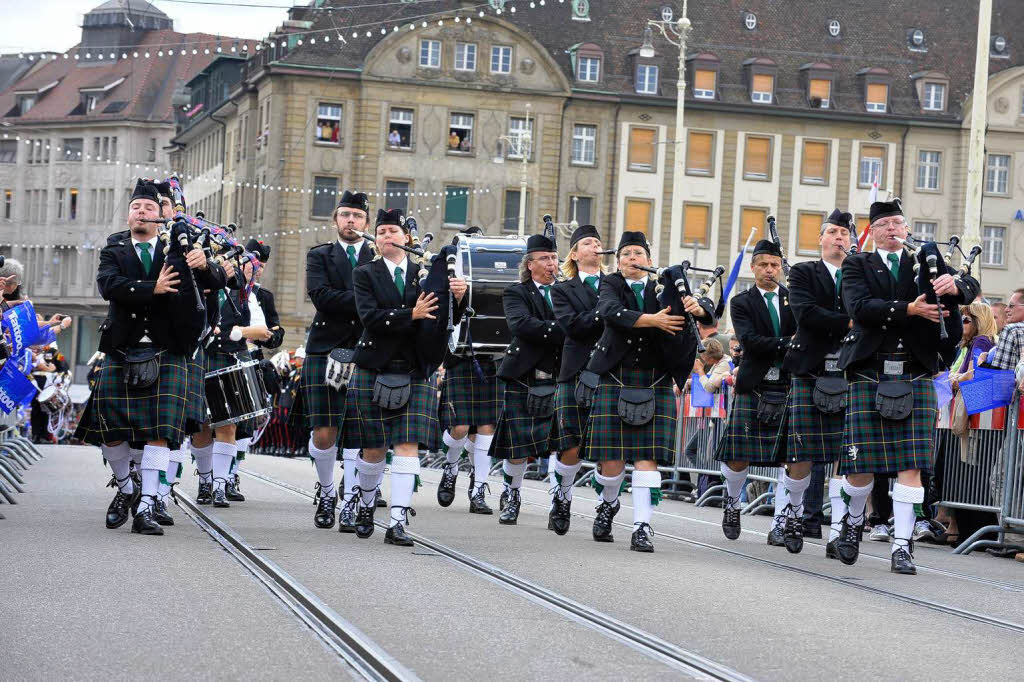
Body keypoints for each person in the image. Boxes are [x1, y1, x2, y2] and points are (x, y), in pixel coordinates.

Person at [836, 198, 979, 575]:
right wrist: (909, 310)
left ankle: (903, 544)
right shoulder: (857, 264)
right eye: (886, 224)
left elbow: (970, 286)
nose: (895, 229)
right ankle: (851, 522)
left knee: (911, 464)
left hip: (915, 371)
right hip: (870, 370)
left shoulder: (924, 263)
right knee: (860, 469)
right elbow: (860, 308)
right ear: (874, 231)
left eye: (899, 223)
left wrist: (956, 283)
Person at [74, 179, 207, 535]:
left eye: (149, 208)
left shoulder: (175, 249)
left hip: (166, 349)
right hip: (122, 346)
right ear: (129, 213)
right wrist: (153, 289)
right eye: (136, 208)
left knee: (159, 434)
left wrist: (204, 263)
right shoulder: (113, 249)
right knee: (110, 432)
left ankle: (147, 505)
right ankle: (127, 487)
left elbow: (204, 289)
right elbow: (109, 286)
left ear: (160, 215)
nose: (142, 213)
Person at [581, 231, 709, 551]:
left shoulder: (664, 286)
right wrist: (651, 320)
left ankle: (642, 526)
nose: (631, 259)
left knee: (646, 459)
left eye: (638, 253)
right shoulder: (610, 284)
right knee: (610, 462)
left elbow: (692, 315)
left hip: (655, 381)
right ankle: (608, 505)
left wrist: (698, 307)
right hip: (616, 377)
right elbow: (609, 312)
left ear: (649, 260)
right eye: (625, 255)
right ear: (618, 261)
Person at [347, 208, 467, 545]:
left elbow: (444, 318)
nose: (386, 237)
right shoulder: (364, 273)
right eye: (382, 232)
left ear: (406, 239)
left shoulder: (424, 274)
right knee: (373, 448)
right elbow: (370, 318)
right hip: (375, 365)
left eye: (393, 232)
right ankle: (367, 504)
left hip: (415, 368)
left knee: (407, 445)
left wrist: (459, 297)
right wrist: (409, 314)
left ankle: (398, 520)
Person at [779, 209, 853, 555]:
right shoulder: (803, 273)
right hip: (811, 370)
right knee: (802, 455)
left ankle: (839, 531)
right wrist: (853, 324)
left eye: (844, 233)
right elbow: (805, 314)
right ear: (820, 239)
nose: (839, 238)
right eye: (833, 232)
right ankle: (794, 516)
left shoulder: (860, 273)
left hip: (853, 372)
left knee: (847, 458)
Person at [303, 191, 376, 531]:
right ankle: (328, 491)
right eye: (345, 215)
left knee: (361, 432)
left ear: (366, 222)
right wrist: (368, 300)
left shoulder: (379, 258)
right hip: (325, 348)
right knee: (324, 433)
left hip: (368, 348)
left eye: (357, 216)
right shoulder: (319, 255)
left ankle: (350, 502)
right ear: (335, 221)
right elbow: (321, 296)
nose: (351, 221)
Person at [715, 239, 796, 543]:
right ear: (753, 267)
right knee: (739, 456)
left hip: (788, 383)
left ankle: (781, 521)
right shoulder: (742, 302)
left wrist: (788, 344)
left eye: (775, 265)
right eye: (763, 264)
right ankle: (733, 504)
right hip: (754, 384)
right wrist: (790, 343)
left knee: (791, 458)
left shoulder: (794, 300)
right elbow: (749, 340)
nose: (770, 270)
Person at [488, 233, 564, 526]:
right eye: (544, 258)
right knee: (518, 446)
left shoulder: (566, 292)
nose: (551, 264)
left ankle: (559, 499)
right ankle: (512, 493)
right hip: (524, 375)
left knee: (562, 444)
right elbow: (522, 326)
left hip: (560, 374)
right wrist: (562, 329)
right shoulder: (516, 293)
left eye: (554, 258)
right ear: (530, 264)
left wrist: (554, 328)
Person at [436, 228, 503, 516]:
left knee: (487, 429)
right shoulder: (447, 272)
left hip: (491, 355)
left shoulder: (495, 274)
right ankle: (450, 466)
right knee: (461, 428)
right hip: (460, 356)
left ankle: (478, 490)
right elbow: (441, 313)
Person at [548, 224, 606, 535]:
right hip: (574, 372)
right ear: (575, 253)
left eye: (598, 242)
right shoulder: (561, 289)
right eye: (587, 242)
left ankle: (606, 508)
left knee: (610, 448)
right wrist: (610, 312)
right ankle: (563, 496)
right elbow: (572, 325)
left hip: (610, 373)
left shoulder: (616, 284)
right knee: (570, 444)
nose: (595, 246)